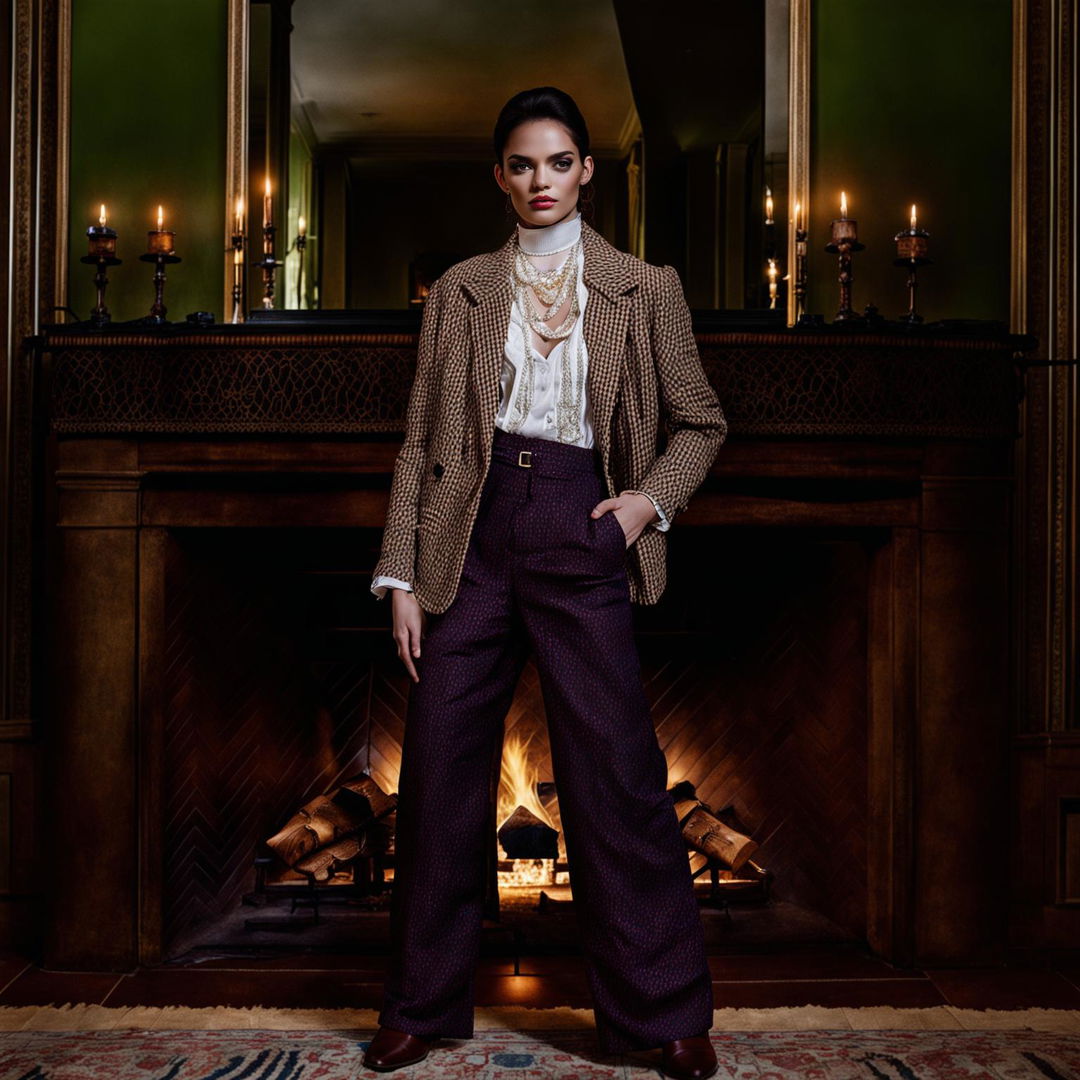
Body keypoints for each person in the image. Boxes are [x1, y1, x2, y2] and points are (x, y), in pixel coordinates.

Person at [362, 87, 727, 1079]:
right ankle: (421, 1009)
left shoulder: (645, 289)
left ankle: (663, 1017)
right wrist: (400, 573)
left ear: (586, 172)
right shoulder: (463, 290)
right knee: (438, 773)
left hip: (585, 527)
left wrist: (647, 504)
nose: (540, 181)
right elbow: (421, 441)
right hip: (467, 539)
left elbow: (702, 422)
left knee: (617, 777)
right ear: (500, 177)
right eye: (522, 165)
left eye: (558, 162)